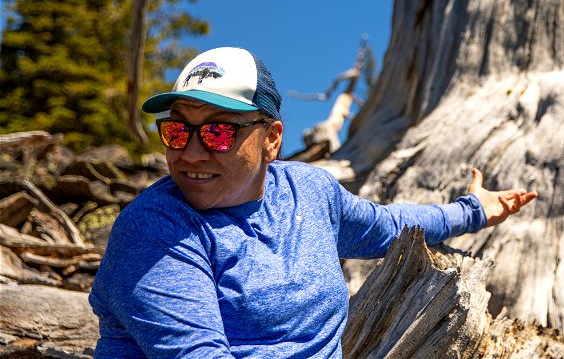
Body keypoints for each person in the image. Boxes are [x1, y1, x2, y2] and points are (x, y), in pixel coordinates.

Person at [89, 47, 537, 358]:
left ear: (272, 139)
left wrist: (471, 210)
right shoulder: (154, 231)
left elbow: (387, 225)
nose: (189, 153)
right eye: (176, 130)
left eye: (218, 132)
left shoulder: (308, 194)